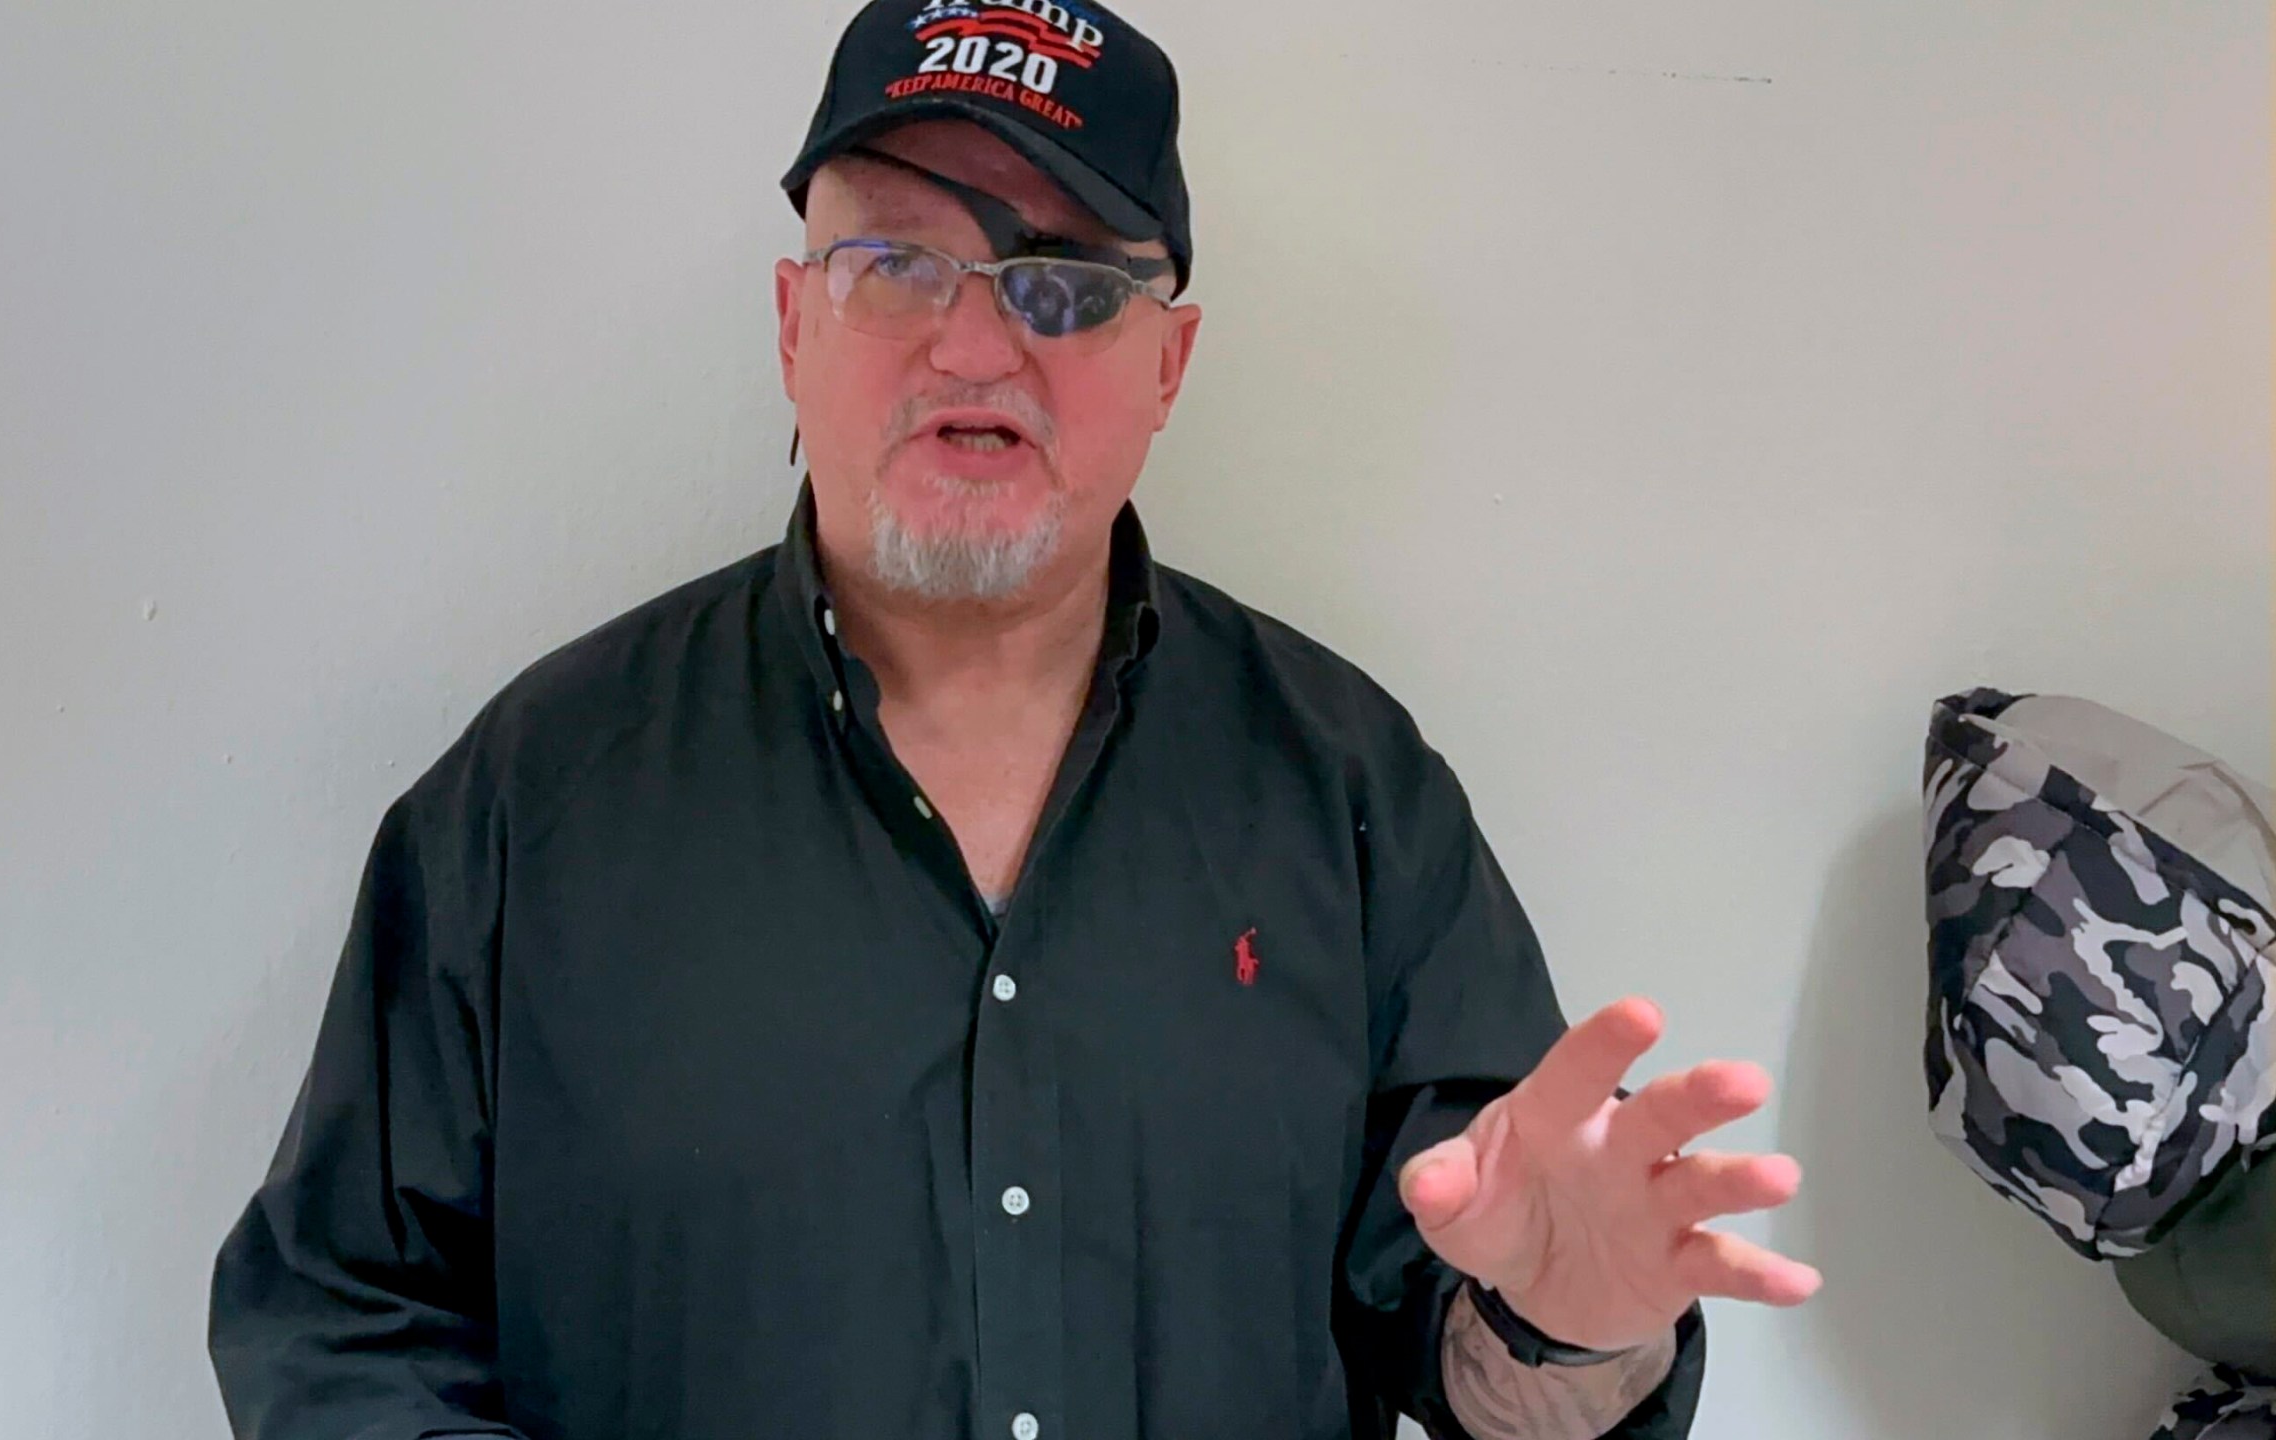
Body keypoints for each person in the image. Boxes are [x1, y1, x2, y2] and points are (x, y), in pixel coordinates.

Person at [206, 3, 1822, 1437]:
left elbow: (1495, 1382)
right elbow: (339, 1322)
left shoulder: (1350, 798)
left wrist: (1572, 1335)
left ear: (1172, 362)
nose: (976, 344)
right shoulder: (534, 799)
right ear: (791, 323)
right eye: (897, 262)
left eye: (1059, 283)